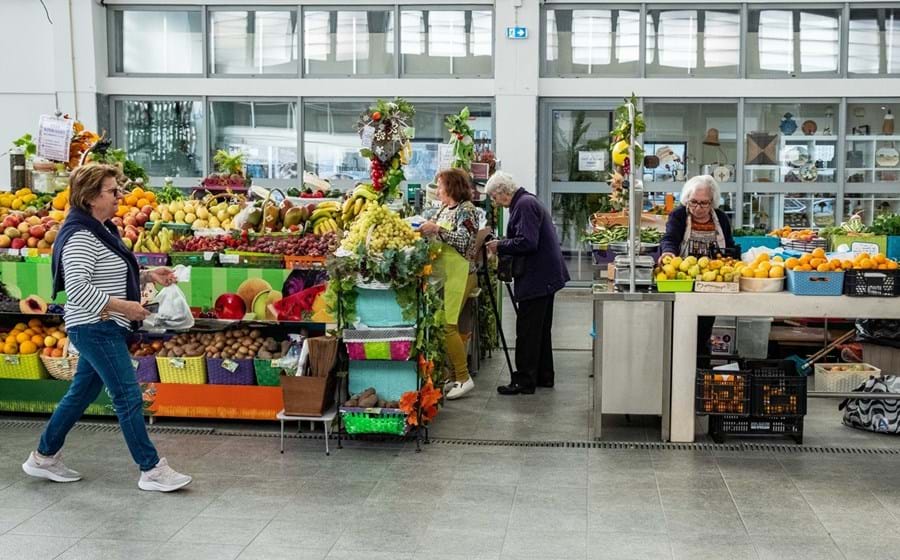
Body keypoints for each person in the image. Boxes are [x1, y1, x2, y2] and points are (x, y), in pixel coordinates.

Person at [22, 164, 192, 493]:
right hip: (95, 326)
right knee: (127, 395)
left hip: (101, 325)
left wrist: (147, 275)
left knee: (81, 393)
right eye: (113, 191)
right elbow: (78, 289)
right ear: (89, 197)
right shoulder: (80, 236)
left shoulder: (103, 228)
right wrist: (123, 306)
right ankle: (151, 469)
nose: (120, 196)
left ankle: (43, 457)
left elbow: (109, 272)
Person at [485, 171, 569, 395]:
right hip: (546, 276)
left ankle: (523, 381)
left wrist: (500, 245)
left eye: (494, 197)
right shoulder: (527, 201)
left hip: (538, 277)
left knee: (528, 331)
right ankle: (543, 375)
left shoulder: (523, 205)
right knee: (540, 330)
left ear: (503, 192)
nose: (495, 202)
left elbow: (527, 242)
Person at [659, 175, 736, 363]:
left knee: (703, 332)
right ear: (687, 199)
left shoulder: (721, 219)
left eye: (704, 203)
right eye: (694, 202)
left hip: (712, 284)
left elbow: (730, 246)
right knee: (681, 331)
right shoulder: (679, 215)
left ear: (712, 202)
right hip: (683, 280)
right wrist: (668, 253)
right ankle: (677, 369)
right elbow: (670, 238)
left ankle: (701, 371)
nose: (698, 208)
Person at [419, 168, 480, 400]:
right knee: (445, 324)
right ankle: (454, 377)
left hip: (461, 272)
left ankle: (464, 378)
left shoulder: (467, 211)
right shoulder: (446, 208)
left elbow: (464, 242)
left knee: (448, 325)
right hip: (447, 273)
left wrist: (437, 230)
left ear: (452, 187)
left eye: (441, 185)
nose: (438, 190)